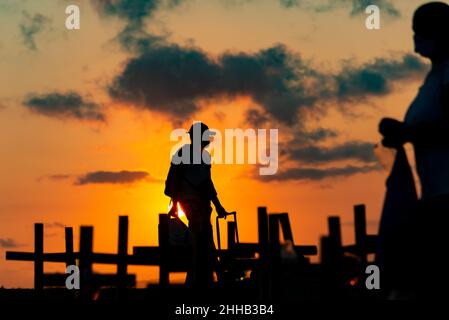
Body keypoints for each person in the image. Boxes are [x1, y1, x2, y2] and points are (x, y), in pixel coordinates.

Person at [378, 2, 449, 298]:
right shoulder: (433, 78)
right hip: (434, 193)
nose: (416, 38)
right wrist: (402, 133)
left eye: (422, 31)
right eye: (414, 31)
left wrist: (408, 132)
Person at [164, 122, 230, 290]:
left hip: (192, 203)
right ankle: (214, 279)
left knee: (201, 241)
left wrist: (175, 203)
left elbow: (177, 181)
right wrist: (219, 206)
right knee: (203, 240)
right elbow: (205, 184)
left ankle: (196, 281)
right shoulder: (195, 155)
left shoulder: (192, 154)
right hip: (195, 203)